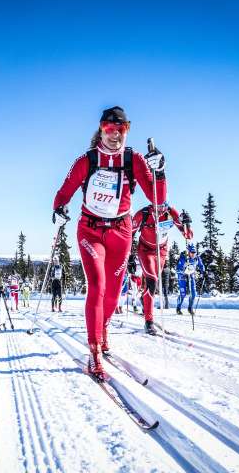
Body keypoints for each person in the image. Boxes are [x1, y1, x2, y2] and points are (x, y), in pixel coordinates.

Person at [53, 106, 166, 378]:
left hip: (121, 231)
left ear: (127, 130)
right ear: (101, 130)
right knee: (97, 285)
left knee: (114, 295)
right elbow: (64, 191)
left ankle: (102, 328)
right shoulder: (87, 160)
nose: (115, 135)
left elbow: (158, 199)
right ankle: (93, 352)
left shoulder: (134, 159)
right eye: (109, 129)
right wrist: (58, 210)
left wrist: (159, 171)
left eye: (121, 130)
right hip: (91, 231)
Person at [132, 202, 192, 335]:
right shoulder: (143, 214)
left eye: (162, 206)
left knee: (152, 283)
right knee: (152, 280)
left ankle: (145, 298)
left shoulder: (170, 212)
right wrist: (129, 255)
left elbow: (188, 235)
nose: (160, 210)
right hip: (145, 250)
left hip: (161, 251)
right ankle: (149, 321)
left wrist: (187, 224)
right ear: (152, 204)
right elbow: (129, 233)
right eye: (157, 207)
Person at [176, 243, 205, 315]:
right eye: (192, 252)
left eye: (194, 252)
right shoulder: (183, 258)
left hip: (191, 276)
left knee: (193, 293)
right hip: (182, 277)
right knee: (183, 294)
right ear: (188, 252)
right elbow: (178, 269)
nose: (193, 254)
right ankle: (178, 308)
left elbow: (201, 265)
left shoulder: (197, 258)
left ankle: (190, 308)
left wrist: (203, 272)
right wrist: (184, 271)